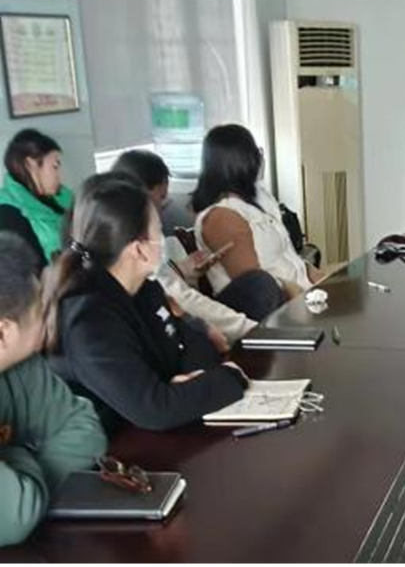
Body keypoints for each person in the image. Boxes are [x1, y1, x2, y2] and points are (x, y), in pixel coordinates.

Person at [44, 173, 248, 433]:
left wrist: (189, 386)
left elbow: (194, 342)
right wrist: (229, 377)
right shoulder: (89, 322)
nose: (162, 240)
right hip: (109, 447)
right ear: (138, 249)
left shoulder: (145, 289)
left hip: (156, 434)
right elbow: (156, 409)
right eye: (158, 232)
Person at [1, 233, 107, 547]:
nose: (49, 319)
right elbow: (13, 518)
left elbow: (85, 429)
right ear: (3, 332)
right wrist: (18, 451)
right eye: (40, 311)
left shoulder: (20, 364)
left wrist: (23, 484)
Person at [113, 149, 280, 340]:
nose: (162, 207)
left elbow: (168, 284)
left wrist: (182, 271)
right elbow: (183, 299)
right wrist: (253, 330)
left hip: (178, 312)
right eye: (160, 198)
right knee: (260, 289)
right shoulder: (137, 244)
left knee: (258, 284)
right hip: (169, 330)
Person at [192, 125, 322, 300]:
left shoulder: (260, 198)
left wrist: (321, 279)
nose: (260, 157)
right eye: (256, 152)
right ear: (243, 160)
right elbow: (256, 288)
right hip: (277, 307)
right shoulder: (221, 217)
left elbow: (289, 259)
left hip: (304, 293)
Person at [0, 129, 73, 269]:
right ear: (30, 164)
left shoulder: (63, 197)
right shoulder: (8, 212)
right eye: (55, 166)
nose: (59, 176)